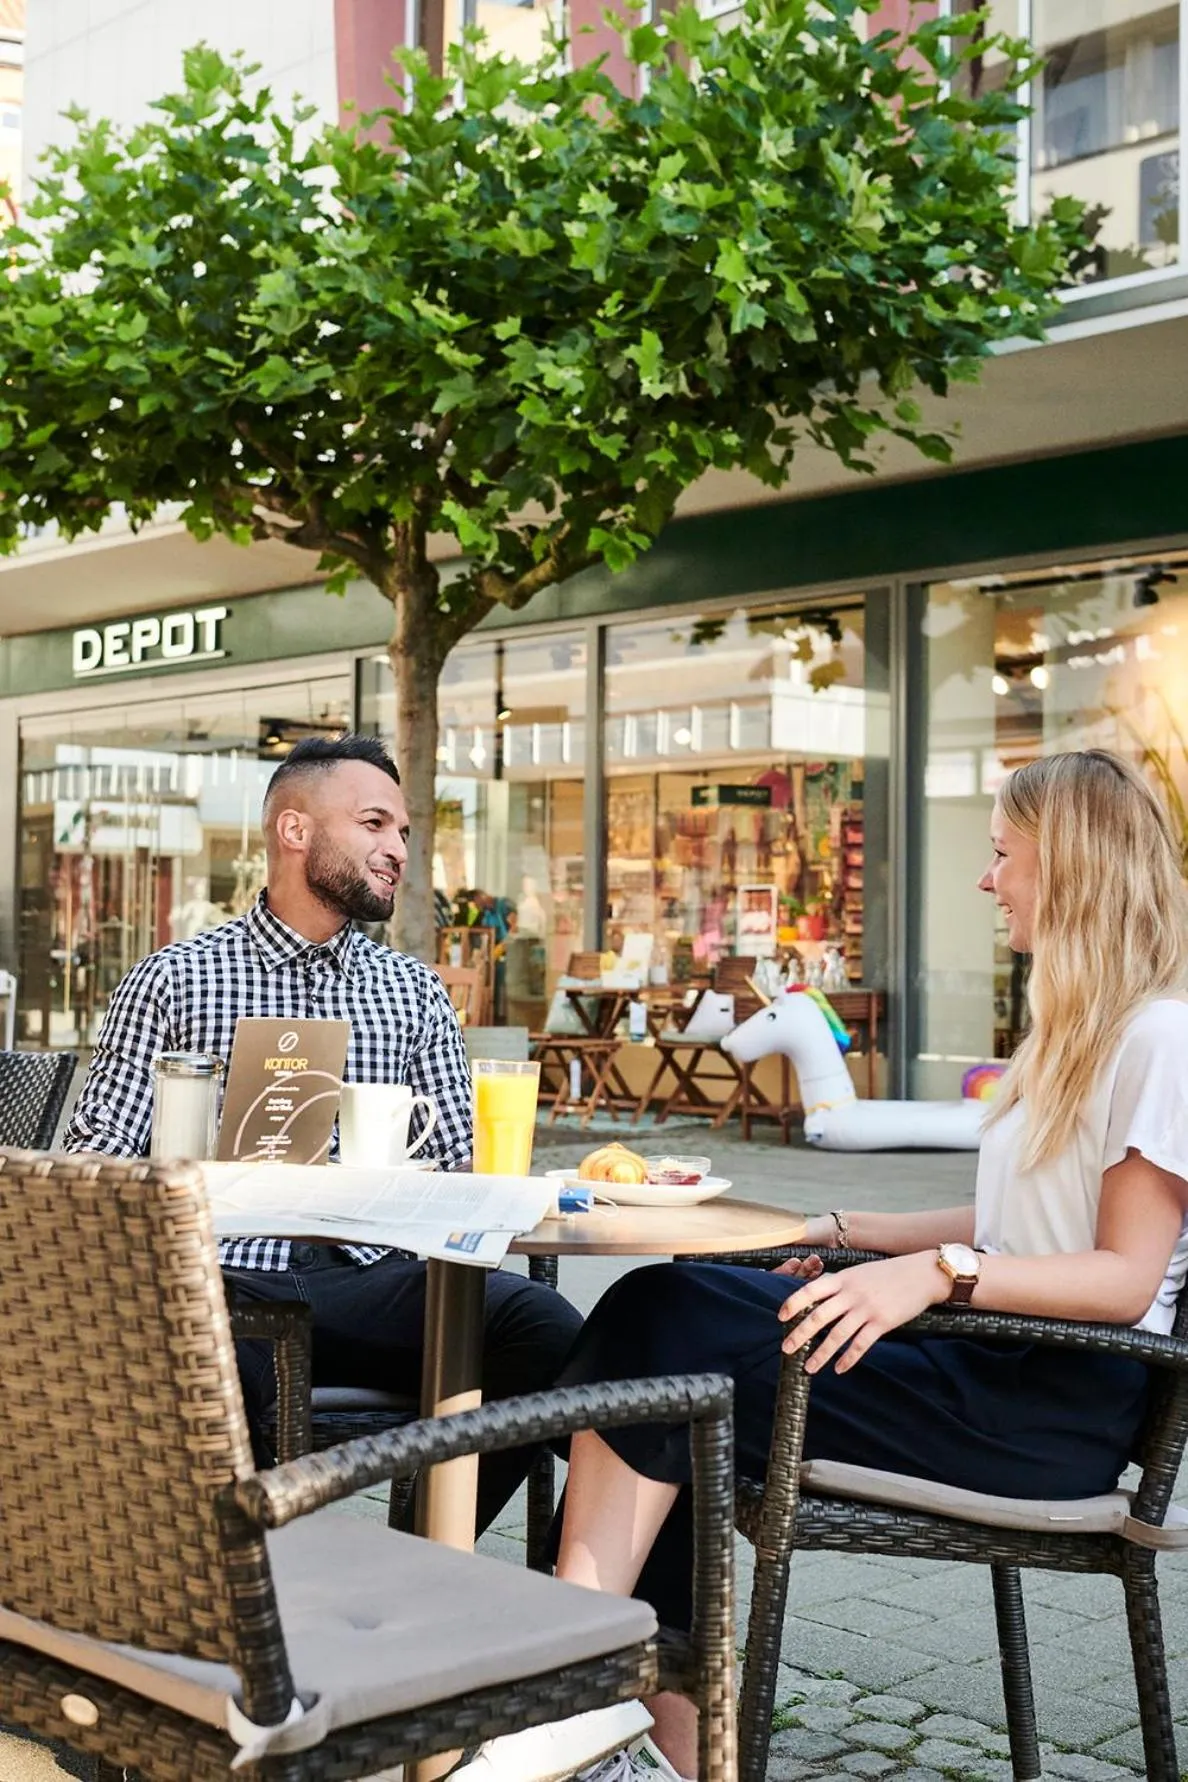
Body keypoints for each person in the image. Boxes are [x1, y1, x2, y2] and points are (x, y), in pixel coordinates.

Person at [459, 749, 1188, 1781]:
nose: (989, 881)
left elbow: (1120, 1280)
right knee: (667, 1339)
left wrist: (937, 1274)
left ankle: (574, 1682)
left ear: (1069, 868)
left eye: (1002, 855)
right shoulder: (1077, 1036)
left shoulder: (1163, 1039)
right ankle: (629, 1724)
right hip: (986, 1359)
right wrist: (837, 1227)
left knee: (665, 1327)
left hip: (1044, 1406)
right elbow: (1007, 1219)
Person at [63, 733, 582, 1532]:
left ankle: (421, 1558)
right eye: (375, 824)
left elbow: (459, 1167)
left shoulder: (411, 990)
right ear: (295, 831)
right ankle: (237, 1592)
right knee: (196, 1360)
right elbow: (94, 1164)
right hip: (225, 1276)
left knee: (546, 1330)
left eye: (404, 833)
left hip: (373, 1280)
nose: (397, 850)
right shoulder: (174, 978)